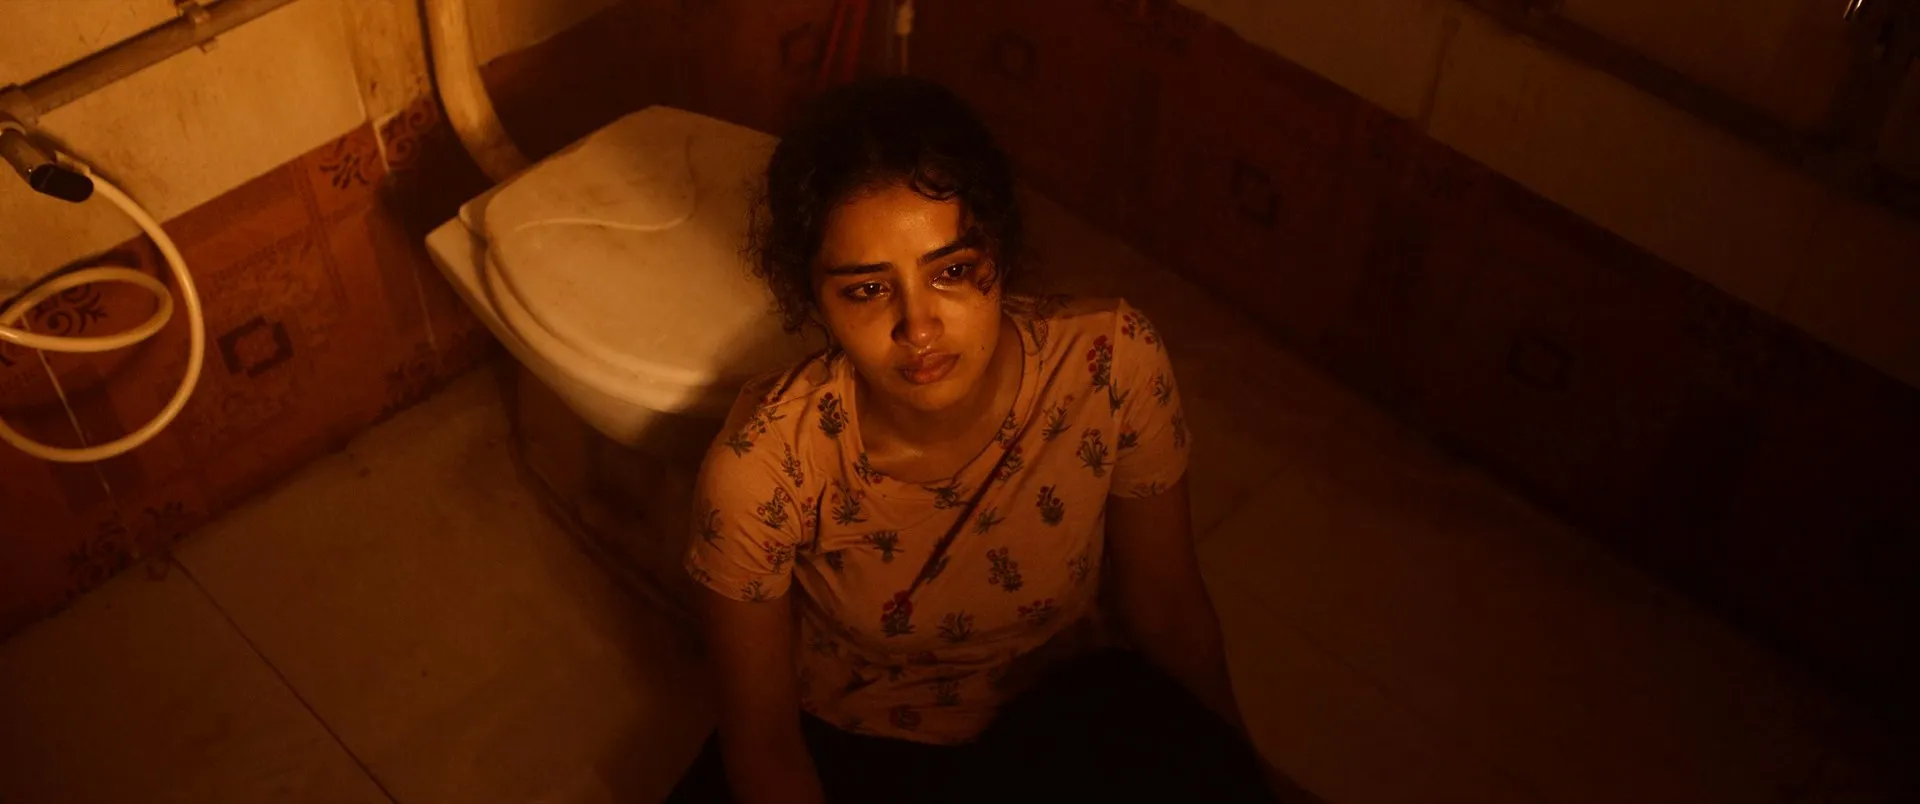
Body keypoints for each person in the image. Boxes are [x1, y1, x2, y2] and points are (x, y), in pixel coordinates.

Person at [667, 76, 1284, 804]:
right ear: (814, 301)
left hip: (1057, 711)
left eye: (953, 271)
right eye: (868, 289)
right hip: (856, 741)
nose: (919, 326)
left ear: (1000, 250)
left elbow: (1170, 610)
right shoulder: (766, 468)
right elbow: (765, 745)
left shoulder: (1109, 364)